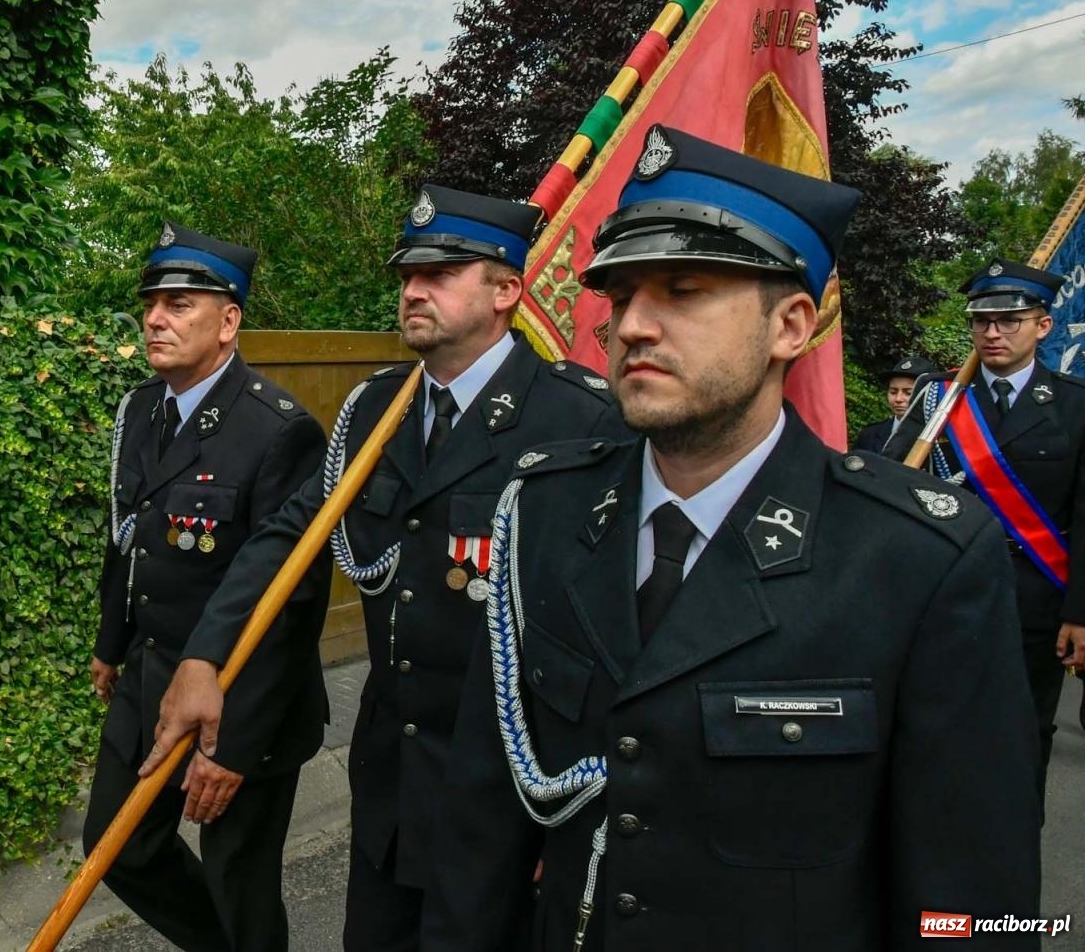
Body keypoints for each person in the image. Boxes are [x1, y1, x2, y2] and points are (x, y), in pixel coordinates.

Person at [425, 126, 1040, 950]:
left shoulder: (916, 557)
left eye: (681, 290)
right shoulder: (546, 509)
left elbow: (969, 901)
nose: (633, 326)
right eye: (621, 296)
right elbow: (480, 827)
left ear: (791, 325)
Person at [143, 184, 622, 952]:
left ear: (507, 290)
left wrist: (574, 814)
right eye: (406, 275)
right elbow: (286, 536)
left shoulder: (582, 420)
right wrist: (206, 655)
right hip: (392, 780)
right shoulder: (376, 412)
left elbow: (610, 633)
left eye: (440, 273)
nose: (413, 290)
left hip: (510, 798)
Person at [81, 222, 330, 952]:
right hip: (150, 675)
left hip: (243, 700)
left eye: (180, 303)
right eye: (152, 302)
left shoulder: (278, 430)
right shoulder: (139, 410)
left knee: (239, 884)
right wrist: (110, 642)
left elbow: (290, 602)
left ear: (229, 322)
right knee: (116, 845)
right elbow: (126, 535)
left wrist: (233, 747)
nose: (156, 317)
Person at [884, 258, 1085, 808]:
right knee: (937, 726)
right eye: (981, 321)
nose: (992, 333)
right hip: (943, 595)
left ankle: (1012, 853)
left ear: (1043, 325)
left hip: (1034, 599)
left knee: (1022, 732)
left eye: (1010, 320)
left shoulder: (1075, 404)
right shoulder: (939, 398)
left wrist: (1079, 612)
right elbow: (890, 485)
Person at [850, 354, 934, 453]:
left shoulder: (941, 437)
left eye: (908, 393)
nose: (898, 399)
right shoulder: (869, 435)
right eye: (893, 392)